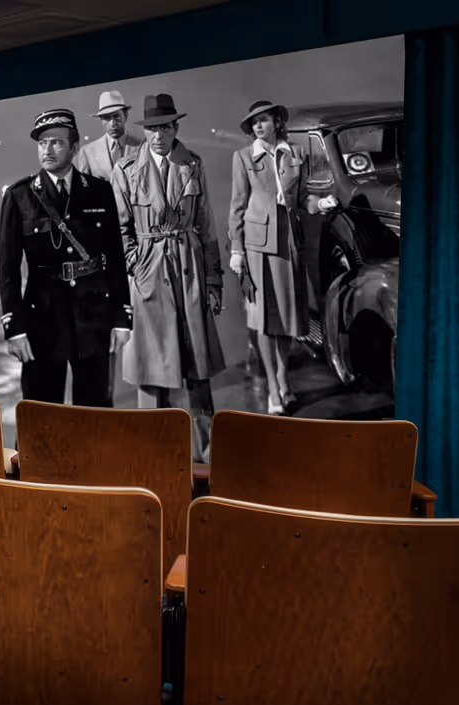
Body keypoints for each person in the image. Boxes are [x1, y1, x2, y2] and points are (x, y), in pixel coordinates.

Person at [112, 93, 225, 460]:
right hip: (148, 272)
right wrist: (136, 263)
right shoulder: (126, 170)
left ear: (176, 127)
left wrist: (212, 281)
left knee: (197, 362)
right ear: (144, 132)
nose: (158, 135)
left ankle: (204, 452)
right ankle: (153, 451)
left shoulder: (192, 165)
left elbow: (206, 227)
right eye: (152, 129)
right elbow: (120, 228)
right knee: (150, 364)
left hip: (189, 269)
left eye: (164, 127)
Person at [0, 107, 133, 408]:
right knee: (41, 410)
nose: (48, 149)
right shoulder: (20, 197)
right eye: (42, 143)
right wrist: (14, 327)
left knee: (95, 409)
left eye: (57, 142)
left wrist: (122, 317)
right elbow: (7, 270)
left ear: (74, 147)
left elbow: (114, 257)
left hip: (93, 316)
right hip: (42, 319)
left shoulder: (99, 192)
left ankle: (94, 458)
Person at [228, 99, 340, 414]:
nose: (258, 126)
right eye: (254, 123)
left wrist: (321, 204)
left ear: (277, 121)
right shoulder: (243, 157)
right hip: (257, 247)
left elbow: (304, 198)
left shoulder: (295, 155)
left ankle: (282, 377)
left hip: (288, 244)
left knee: (286, 320)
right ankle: (274, 391)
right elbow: (237, 206)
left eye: (263, 120)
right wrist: (237, 250)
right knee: (264, 322)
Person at [75, 90, 136, 181]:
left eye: (116, 116)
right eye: (106, 117)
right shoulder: (87, 152)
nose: (112, 123)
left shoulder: (142, 147)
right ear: (101, 120)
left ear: (125, 115)